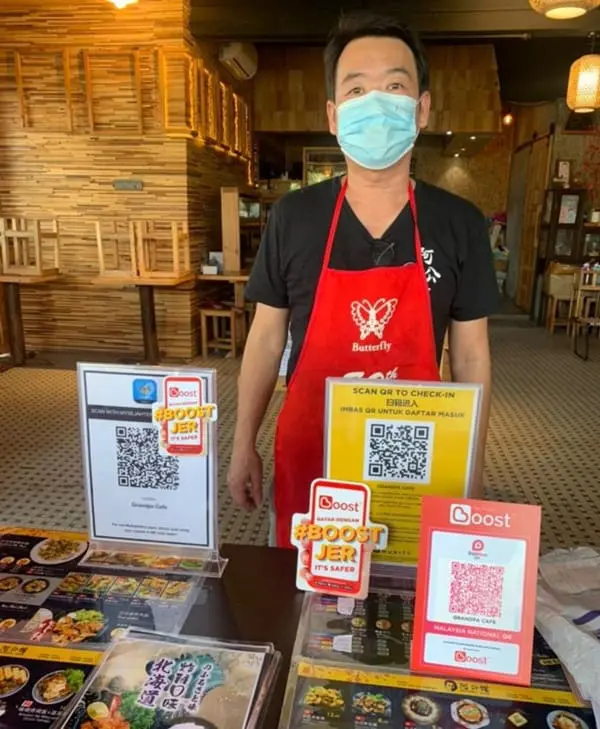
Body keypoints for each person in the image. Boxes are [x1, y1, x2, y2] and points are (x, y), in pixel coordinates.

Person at [227, 11, 499, 548]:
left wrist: (472, 463)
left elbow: (471, 357)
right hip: (313, 448)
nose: (375, 103)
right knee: (306, 586)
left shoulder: (459, 223)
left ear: (422, 108)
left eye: (394, 86)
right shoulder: (294, 217)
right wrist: (242, 443)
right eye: (356, 90)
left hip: (415, 451)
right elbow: (265, 338)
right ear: (334, 115)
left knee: (405, 581)